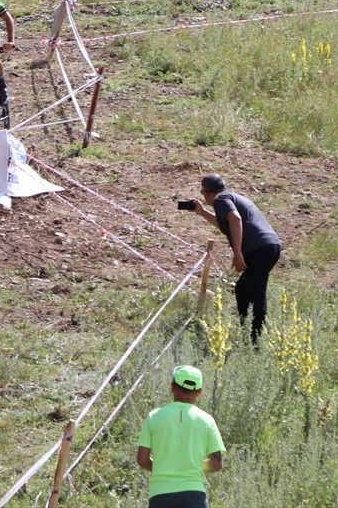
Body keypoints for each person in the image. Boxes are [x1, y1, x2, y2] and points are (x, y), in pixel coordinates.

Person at [183, 173, 282, 344]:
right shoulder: (230, 197)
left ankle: (254, 343)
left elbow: (235, 219)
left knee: (255, 294)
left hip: (259, 249)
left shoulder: (220, 200)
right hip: (267, 247)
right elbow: (228, 224)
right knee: (243, 289)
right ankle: (248, 336)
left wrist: (237, 253)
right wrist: (202, 212)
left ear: (206, 193)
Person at [137, 364, 225, 508]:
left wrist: (165, 466)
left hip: (160, 495)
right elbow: (216, 463)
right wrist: (192, 465)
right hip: (194, 495)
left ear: (172, 387)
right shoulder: (207, 420)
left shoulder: (153, 417)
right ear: (199, 392)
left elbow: (142, 459)